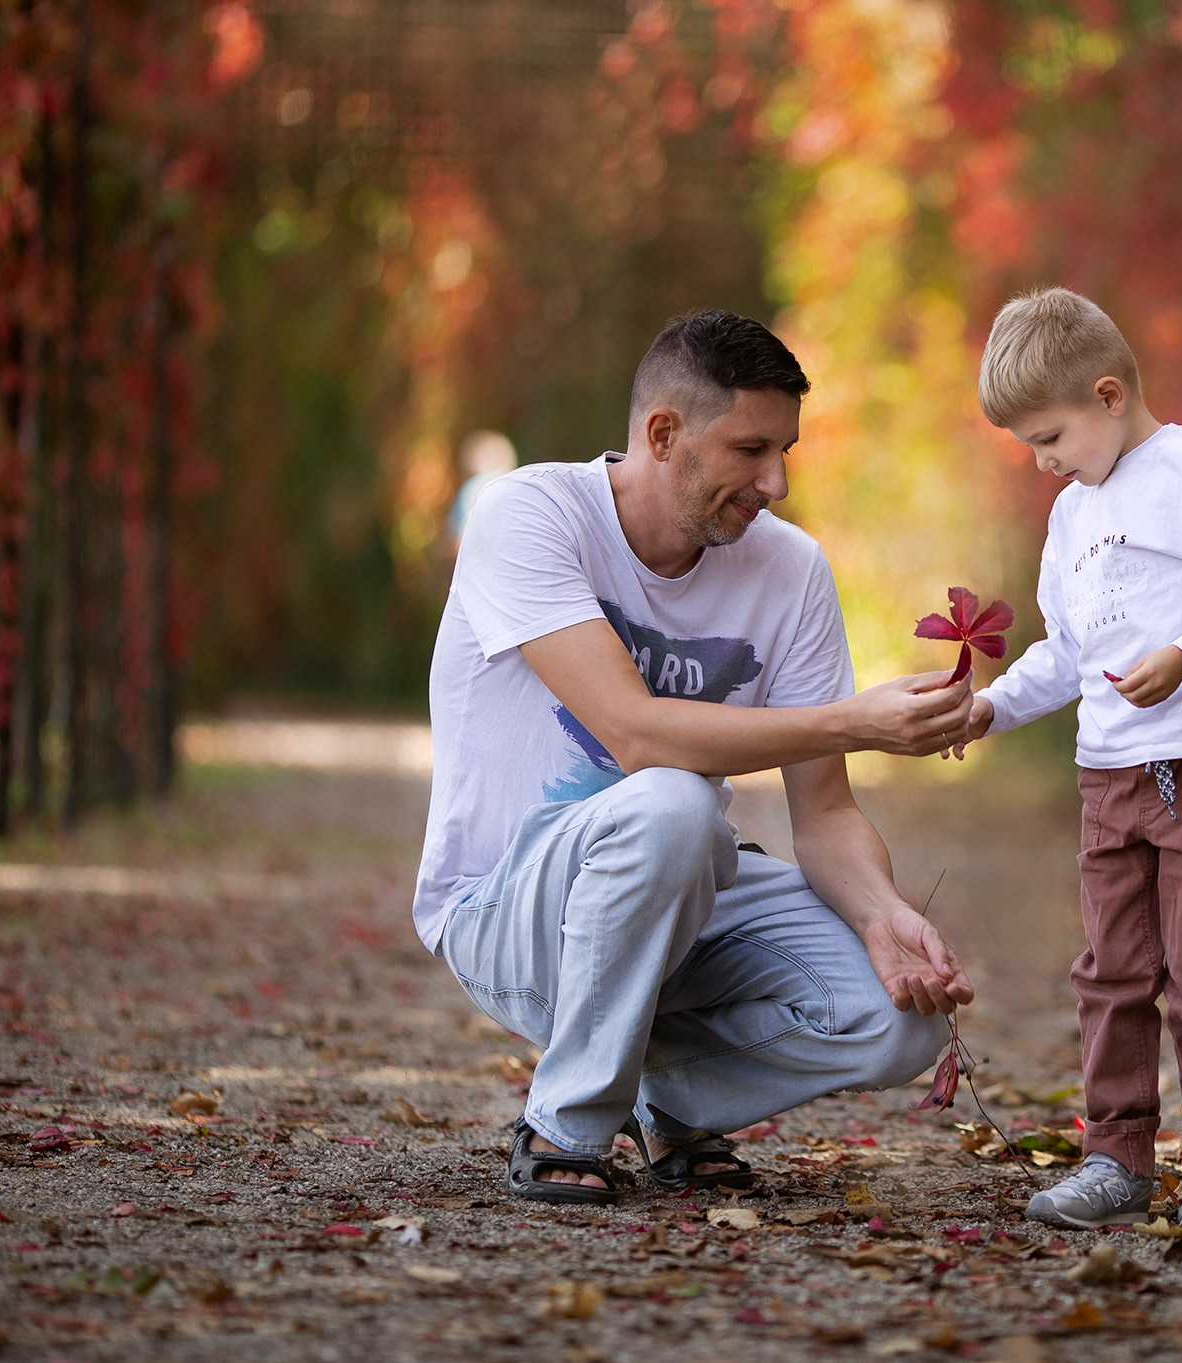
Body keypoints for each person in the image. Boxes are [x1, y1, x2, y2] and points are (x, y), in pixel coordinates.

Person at [412, 310, 976, 1205]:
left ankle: (661, 1094)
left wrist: (881, 913)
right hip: (507, 909)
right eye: (752, 449)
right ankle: (567, 1120)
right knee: (673, 802)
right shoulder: (529, 515)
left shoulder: (790, 572)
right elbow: (634, 735)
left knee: (899, 1020)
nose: (777, 481)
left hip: (680, 890)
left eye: (786, 450)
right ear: (663, 434)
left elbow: (825, 815)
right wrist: (850, 721)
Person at [953, 287, 1182, 1235]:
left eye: (1049, 435)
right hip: (1110, 777)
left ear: (1107, 395)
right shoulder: (1070, 517)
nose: (1041, 459)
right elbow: (1065, 652)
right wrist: (989, 706)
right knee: (1112, 970)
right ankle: (1117, 1157)